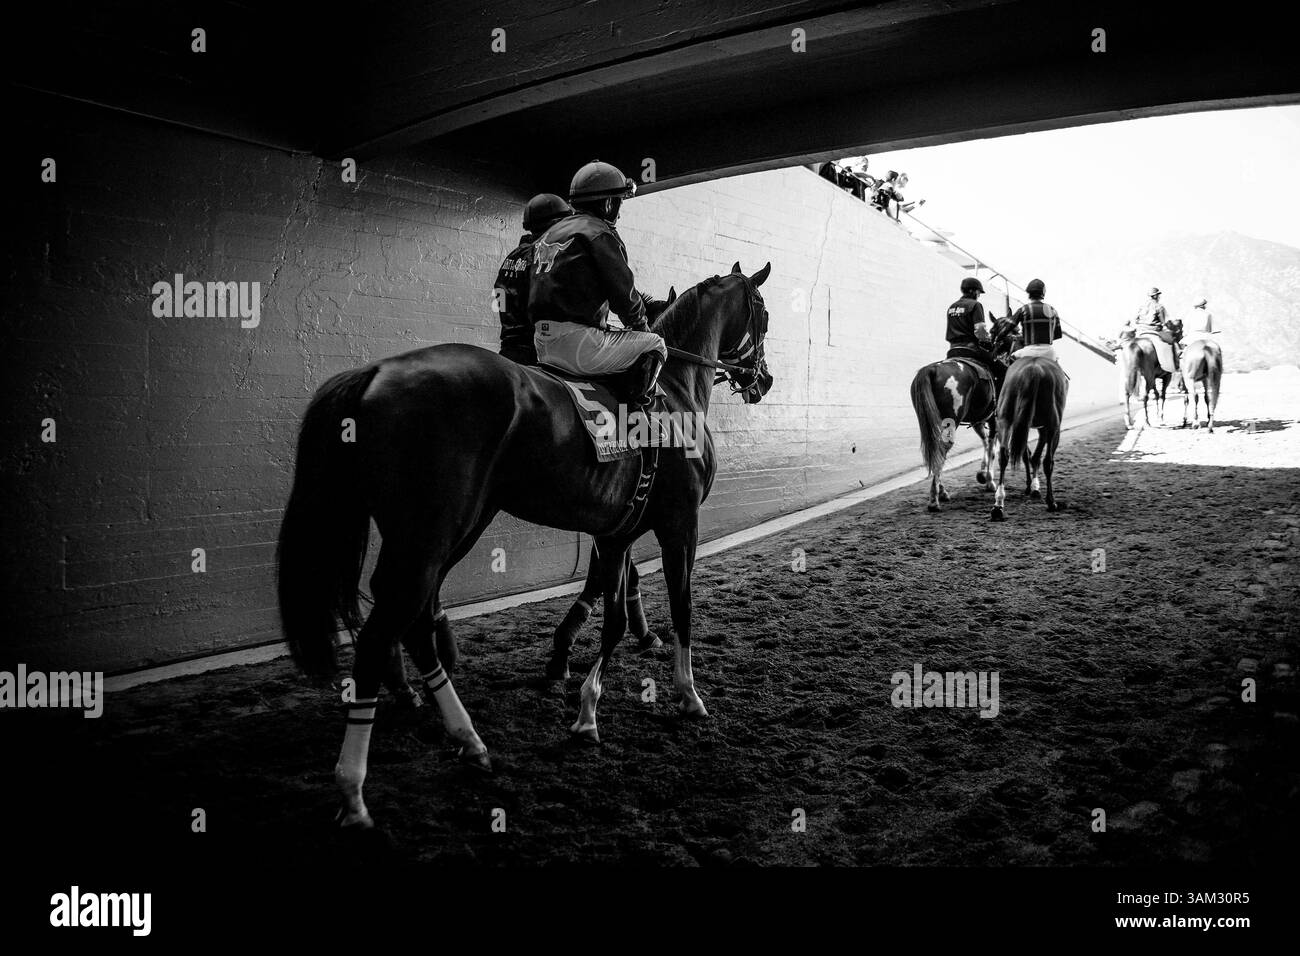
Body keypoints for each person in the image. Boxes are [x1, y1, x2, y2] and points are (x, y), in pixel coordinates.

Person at [529, 160, 667, 407]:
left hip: (541, 342)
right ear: (607, 203)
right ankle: (636, 415)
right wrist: (641, 326)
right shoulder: (600, 233)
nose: (620, 209)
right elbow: (624, 296)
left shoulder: (550, 234)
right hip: (579, 346)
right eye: (619, 202)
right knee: (655, 344)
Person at [493, 193, 572, 365]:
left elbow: (498, 297)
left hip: (509, 349)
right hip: (534, 354)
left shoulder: (513, 256)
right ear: (556, 224)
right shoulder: (541, 256)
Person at [1009, 278, 1062, 363]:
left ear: (1029, 293)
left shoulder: (1023, 309)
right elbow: (1058, 335)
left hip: (1028, 352)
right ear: (1043, 293)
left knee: (1011, 359)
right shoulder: (1052, 310)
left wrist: (1023, 337)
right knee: (1060, 373)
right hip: (1048, 353)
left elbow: (1008, 326)